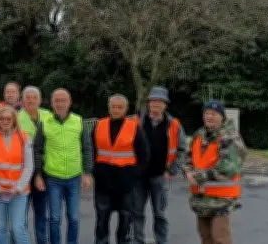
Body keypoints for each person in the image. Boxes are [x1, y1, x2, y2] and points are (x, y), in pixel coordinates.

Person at [33, 88, 94, 244]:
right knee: (54, 219)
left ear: (69, 102)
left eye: (63, 100)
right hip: (53, 178)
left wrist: (87, 173)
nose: (60, 103)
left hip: (74, 178)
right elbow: (37, 150)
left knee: (73, 218)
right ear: (52, 103)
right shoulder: (44, 123)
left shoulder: (78, 121)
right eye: (57, 100)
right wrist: (38, 175)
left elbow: (87, 148)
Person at [185, 100, 247, 244]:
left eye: (214, 114)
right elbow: (187, 157)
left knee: (220, 239)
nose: (209, 116)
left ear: (222, 117)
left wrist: (202, 176)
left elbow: (230, 167)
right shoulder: (199, 134)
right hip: (201, 199)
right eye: (207, 113)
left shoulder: (230, 137)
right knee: (205, 238)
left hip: (222, 201)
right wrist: (187, 171)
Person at [92, 95, 150, 244]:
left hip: (125, 183)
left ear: (126, 109)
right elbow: (91, 150)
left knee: (125, 221)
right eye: (113, 107)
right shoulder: (99, 125)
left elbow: (144, 154)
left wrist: (135, 173)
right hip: (103, 183)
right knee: (101, 220)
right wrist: (95, 170)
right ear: (109, 107)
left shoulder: (134, 127)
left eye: (120, 107)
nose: (116, 110)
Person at [133, 87, 186, 244]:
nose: (156, 104)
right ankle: (137, 241)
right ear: (148, 103)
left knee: (160, 214)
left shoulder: (174, 125)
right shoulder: (136, 121)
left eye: (160, 101)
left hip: (160, 176)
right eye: (153, 101)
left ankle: (162, 241)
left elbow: (182, 149)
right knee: (136, 213)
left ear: (165, 105)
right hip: (138, 177)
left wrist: (173, 169)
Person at [0, 107, 32, 244]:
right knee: (0, 228)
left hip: (19, 192)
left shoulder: (24, 137)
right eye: (2, 119)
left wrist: (18, 188)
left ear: (14, 120)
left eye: (8, 119)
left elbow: (29, 166)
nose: (5, 121)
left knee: (18, 228)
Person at [17, 86, 52, 244]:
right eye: (28, 97)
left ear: (39, 99)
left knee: (41, 211)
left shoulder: (48, 115)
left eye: (34, 97)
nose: (31, 100)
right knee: (21, 212)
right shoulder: (16, 117)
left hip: (43, 169)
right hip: (23, 169)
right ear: (23, 100)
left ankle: (42, 241)